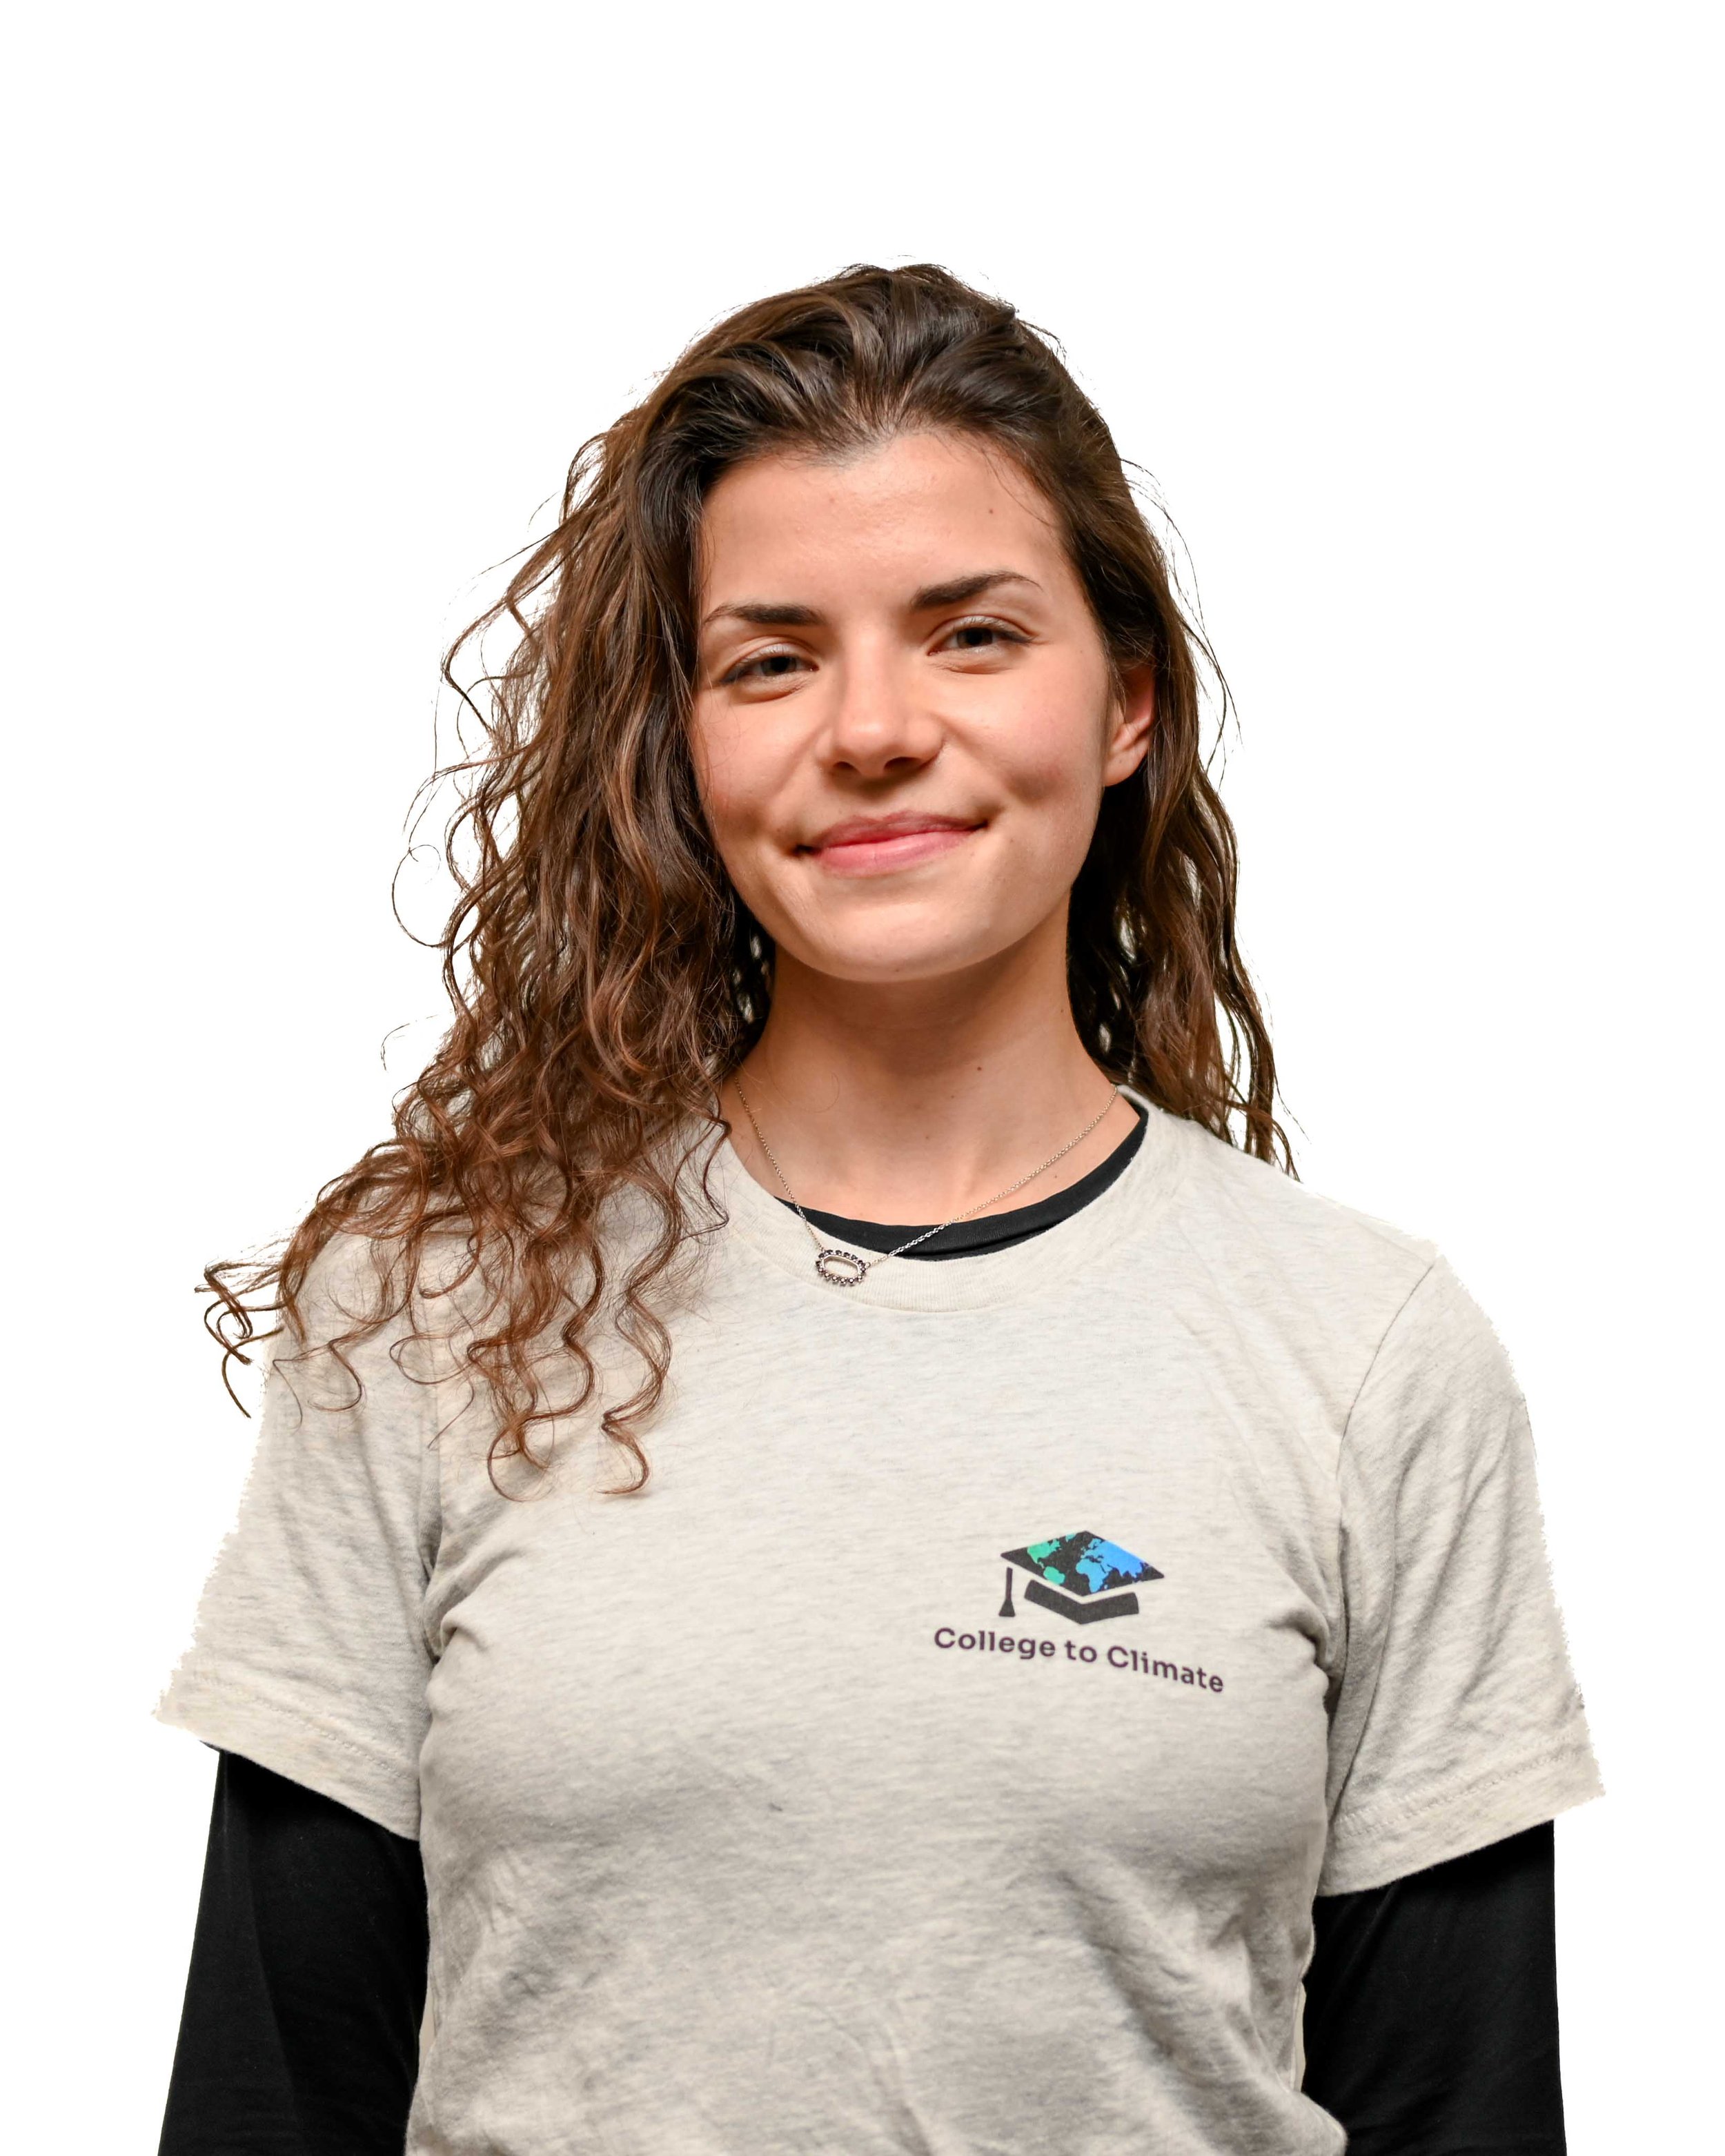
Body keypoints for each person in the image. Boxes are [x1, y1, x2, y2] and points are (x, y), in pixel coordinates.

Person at [153, 262, 1601, 2155]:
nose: (871, 729)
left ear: (1126, 703)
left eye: (971, 636)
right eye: (770, 660)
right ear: (684, 744)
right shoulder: (433, 1311)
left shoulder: (1363, 1354)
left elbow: (1460, 2110)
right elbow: (274, 2091)